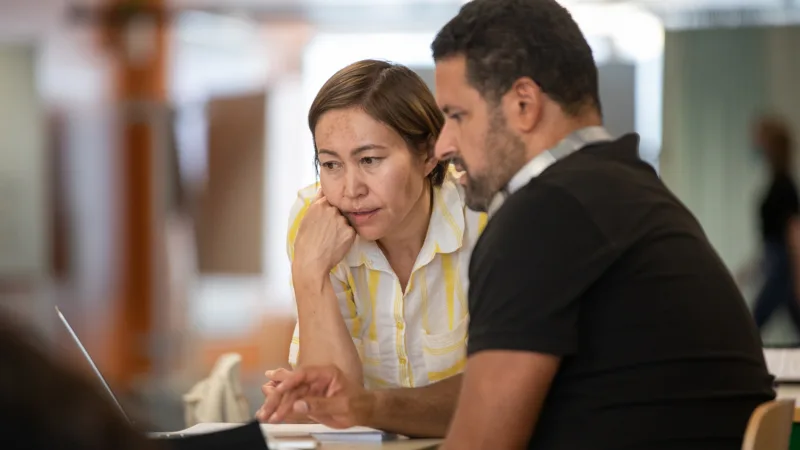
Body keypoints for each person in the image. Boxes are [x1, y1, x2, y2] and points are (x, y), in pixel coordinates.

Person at [266, 1, 776, 449]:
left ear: (524, 106)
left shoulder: (543, 215)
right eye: (330, 164)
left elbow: (482, 439)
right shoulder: (624, 189)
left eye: (458, 116)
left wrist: (364, 407)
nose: (444, 145)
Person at [255, 59, 486, 438]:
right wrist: (308, 273)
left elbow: (496, 396)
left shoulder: (486, 221)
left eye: (369, 160)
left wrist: (352, 405)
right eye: (330, 164)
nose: (350, 189)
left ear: (429, 154)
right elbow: (331, 402)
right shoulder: (317, 223)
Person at [750, 115, 800, 334]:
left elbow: (793, 234)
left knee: (752, 324)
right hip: (776, 263)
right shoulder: (776, 183)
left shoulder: (784, 186)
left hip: (783, 268)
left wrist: (798, 277)